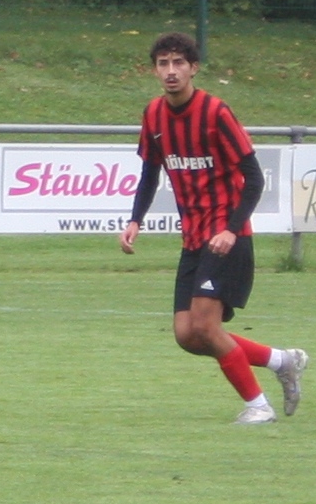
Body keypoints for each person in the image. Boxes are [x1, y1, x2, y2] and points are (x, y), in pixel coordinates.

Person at [119, 32, 306, 423]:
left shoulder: (216, 112)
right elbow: (150, 173)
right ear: (154, 70)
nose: (171, 71)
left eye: (178, 63)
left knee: (206, 327)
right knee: (187, 335)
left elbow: (254, 179)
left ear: (194, 68)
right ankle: (280, 360)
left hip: (225, 238)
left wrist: (231, 229)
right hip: (193, 239)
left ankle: (259, 406)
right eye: (163, 64)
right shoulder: (153, 115)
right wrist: (136, 219)